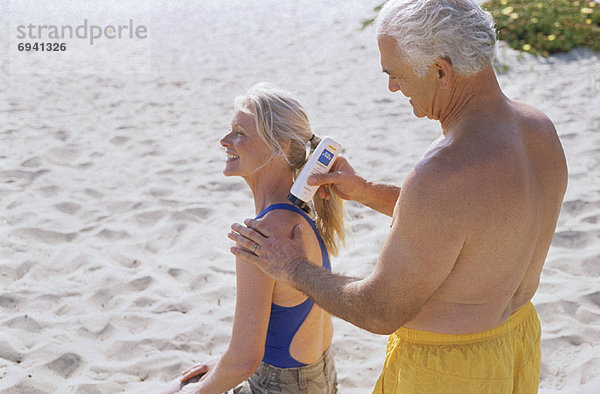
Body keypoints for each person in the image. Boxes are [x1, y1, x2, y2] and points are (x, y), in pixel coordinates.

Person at [229, 0, 568, 392]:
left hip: (448, 372)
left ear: (441, 70)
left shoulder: (443, 172)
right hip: (516, 342)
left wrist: (291, 267)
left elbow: (379, 310)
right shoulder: (539, 129)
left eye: (396, 74)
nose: (392, 87)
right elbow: (473, 224)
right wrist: (367, 191)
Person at [163, 83, 343, 393]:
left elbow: (245, 360)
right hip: (319, 380)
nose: (224, 141)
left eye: (239, 133)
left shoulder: (264, 236)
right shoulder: (304, 215)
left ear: (281, 147)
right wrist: (223, 367)